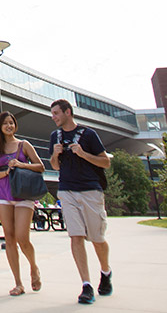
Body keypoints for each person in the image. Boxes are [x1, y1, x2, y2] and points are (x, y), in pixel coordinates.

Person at [50, 99, 113, 305]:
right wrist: (55, 154)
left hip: (90, 190)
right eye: (52, 114)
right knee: (75, 236)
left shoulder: (89, 135)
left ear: (68, 112)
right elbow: (55, 167)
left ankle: (105, 272)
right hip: (67, 190)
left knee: (97, 238)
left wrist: (83, 153)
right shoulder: (55, 137)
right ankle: (86, 285)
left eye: (57, 113)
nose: (54, 117)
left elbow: (105, 162)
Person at [0, 110, 45, 296]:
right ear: (0, 127)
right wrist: (5, 172)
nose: (9, 126)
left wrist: (21, 165)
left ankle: (34, 267)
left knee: (22, 237)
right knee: (9, 238)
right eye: (5, 123)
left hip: (23, 194)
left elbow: (40, 167)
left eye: (11, 123)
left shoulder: (23, 145)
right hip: (4, 194)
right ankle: (18, 283)